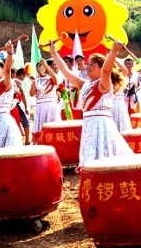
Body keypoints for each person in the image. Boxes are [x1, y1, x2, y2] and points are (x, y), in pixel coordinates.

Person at [48, 40, 133, 172]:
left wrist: (113, 51)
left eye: (91, 64)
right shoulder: (85, 84)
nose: (87, 66)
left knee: (107, 159)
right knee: (91, 160)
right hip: (88, 126)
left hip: (102, 125)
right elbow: (65, 70)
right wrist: (53, 52)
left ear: (99, 69)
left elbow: (106, 70)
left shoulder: (104, 83)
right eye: (87, 64)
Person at [29, 59, 60, 145]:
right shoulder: (36, 80)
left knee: (53, 129)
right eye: (39, 67)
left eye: (42, 67)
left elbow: (56, 80)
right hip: (40, 107)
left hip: (51, 106)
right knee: (40, 130)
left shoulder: (51, 78)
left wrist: (46, 65)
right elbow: (31, 94)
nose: (41, 69)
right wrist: (34, 83)